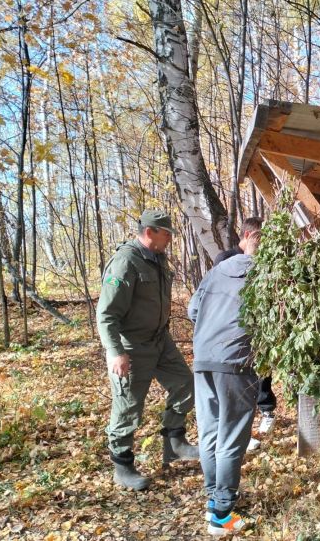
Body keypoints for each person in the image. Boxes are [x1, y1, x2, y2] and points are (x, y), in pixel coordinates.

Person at [96, 209, 198, 491]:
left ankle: (175, 443)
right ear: (149, 231)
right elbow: (106, 315)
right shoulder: (126, 262)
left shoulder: (157, 259)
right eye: (166, 233)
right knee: (128, 407)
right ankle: (123, 466)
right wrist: (116, 352)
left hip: (159, 340)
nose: (170, 239)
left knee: (185, 384)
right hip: (131, 345)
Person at [188, 229, 262, 536]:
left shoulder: (216, 271)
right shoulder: (262, 274)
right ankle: (221, 513)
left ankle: (213, 499)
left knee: (209, 432)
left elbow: (193, 309)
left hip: (203, 359)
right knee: (231, 437)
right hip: (236, 362)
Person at [213, 218, 276, 451]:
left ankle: (263, 413)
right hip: (230, 333)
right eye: (260, 238)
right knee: (236, 386)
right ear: (248, 235)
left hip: (254, 329)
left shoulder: (260, 261)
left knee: (260, 375)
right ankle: (236, 435)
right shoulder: (225, 259)